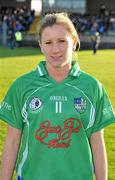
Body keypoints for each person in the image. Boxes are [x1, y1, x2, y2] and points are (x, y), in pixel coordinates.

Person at [0, 12, 115, 180]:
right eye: (48, 42)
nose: (55, 49)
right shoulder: (22, 86)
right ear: (40, 45)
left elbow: (97, 143)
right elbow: (12, 142)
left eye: (62, 41)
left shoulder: (92, 88)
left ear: (74, 43)